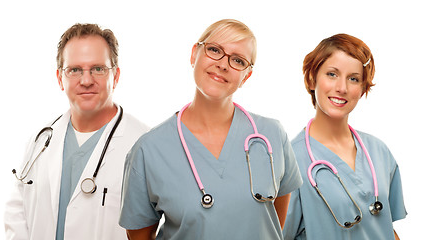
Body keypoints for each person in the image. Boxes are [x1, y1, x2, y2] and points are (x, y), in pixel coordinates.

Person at [119, 19, 302, 240]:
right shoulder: (149, 150)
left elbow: (272, 225)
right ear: (194, 54)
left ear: (246, 76)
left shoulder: (272, 136)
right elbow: (139, 235)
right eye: (215, 50)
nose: (223, 64)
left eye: (238, 60)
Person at [4, 23, 149, 240]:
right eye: (75, 70)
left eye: (98, 69)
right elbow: (16, 213)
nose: (86, 80)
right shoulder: (40, 141)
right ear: (60, 78)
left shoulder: (144, 145)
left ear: (116, 76)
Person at [283, 33, 407, 240]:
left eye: (354, 79)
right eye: (332, 74)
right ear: (312, 79)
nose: (342, 88)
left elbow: (385, 227)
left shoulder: (379, 151)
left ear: (362, 89)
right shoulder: (290, 161)